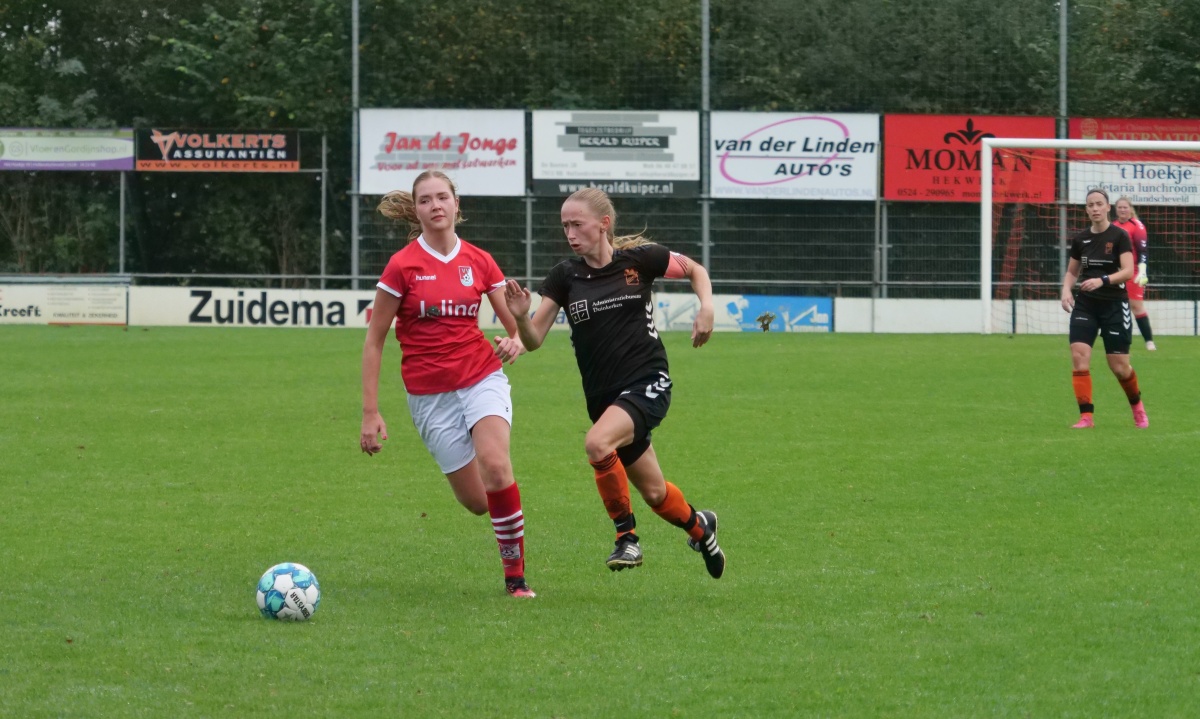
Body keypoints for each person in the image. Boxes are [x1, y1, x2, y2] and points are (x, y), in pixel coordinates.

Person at [503, 187, 725, 579]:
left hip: (648, 383)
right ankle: (702, 528)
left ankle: (627, 538)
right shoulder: (564, 277)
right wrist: (521, 318)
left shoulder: (640, 261)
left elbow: (695, 270)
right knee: (655, 494)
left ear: (603, 224)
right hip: (605, 400)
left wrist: (707, 306)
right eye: (565, 226)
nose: (570, 233)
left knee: (596, 443)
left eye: (577, 224)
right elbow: (534, 340)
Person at [360, 170, 536, 598]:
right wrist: (370, 412)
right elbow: (375, 339)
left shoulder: (479, 260)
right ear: (416, 209)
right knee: (478, 503)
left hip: (481, 376)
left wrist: (516, 337)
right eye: (426, 200)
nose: (435, 205)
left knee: (496, 465)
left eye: (443, 197)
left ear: (457, 204)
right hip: (429, 396)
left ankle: (516, 581)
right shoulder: (402, 265)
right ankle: (501, 512)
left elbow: (518, 331)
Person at [1059, 188, 1148, 429]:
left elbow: (1129, 271)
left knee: (1119, 366)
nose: (1095, 208)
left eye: (1099, 204)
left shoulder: (1119, 236)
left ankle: (1137, 407)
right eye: (1091, 205)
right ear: (1086, 210)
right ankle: (1086, 417)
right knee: (1079, 355)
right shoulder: (1081, 239)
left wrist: (1103, 280)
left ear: (1107, 207)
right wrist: (1066, 289)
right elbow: (1072, 272)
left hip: (1114, 304)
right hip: (1086, 304)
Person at [1113, 197, 1156, 351]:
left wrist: (1143, 271)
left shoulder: (1137, 226)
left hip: (1133, 271)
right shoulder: (1113, 226)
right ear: (1116, 209)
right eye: (1119, 207)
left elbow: (1142, 251)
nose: (1122, 210)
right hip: (1116, 271)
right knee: (1115, 305)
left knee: (1136, 306)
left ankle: (1149, 341)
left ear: (1130, 209)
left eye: (1125, 207)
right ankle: (1118, 338)